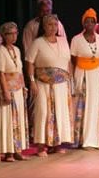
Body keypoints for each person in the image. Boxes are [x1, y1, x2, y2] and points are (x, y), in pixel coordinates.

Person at [26, 14, 73, 156]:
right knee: (43, 112)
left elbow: (68, 62)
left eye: (55, 24)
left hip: (61, 83)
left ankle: (57, 144)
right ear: (44, 26)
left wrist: (69, 80)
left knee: (59, 111)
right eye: (49, 25)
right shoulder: (38, 42)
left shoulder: (63, 41)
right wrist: (32, 81)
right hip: (43, 83)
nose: (53, 27)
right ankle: (41, 145)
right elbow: (30, 62)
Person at [71, 9, 99, 149]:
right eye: (87, 21)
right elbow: (73, 60)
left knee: (96, 107)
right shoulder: (76, 39)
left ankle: (97, 139)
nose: (90, 24)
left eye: (92, 21)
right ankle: (84, 140)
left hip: (97, 75)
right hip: (83, 74)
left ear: (96, 23)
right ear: (83, 23)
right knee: (84, 106)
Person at [0, 22, 29, 162]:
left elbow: (19, 70)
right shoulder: (1, 50)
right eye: (11, 33)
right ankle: (8, 151)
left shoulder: (16, 49)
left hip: (18, 88)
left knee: (19, 118)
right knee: (9, 120)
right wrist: (5, 91)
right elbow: (1, 73)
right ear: (4, 35)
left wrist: (24, 86)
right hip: (8, 88)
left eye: (16, 33)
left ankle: (17, 149)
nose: (14, 36)